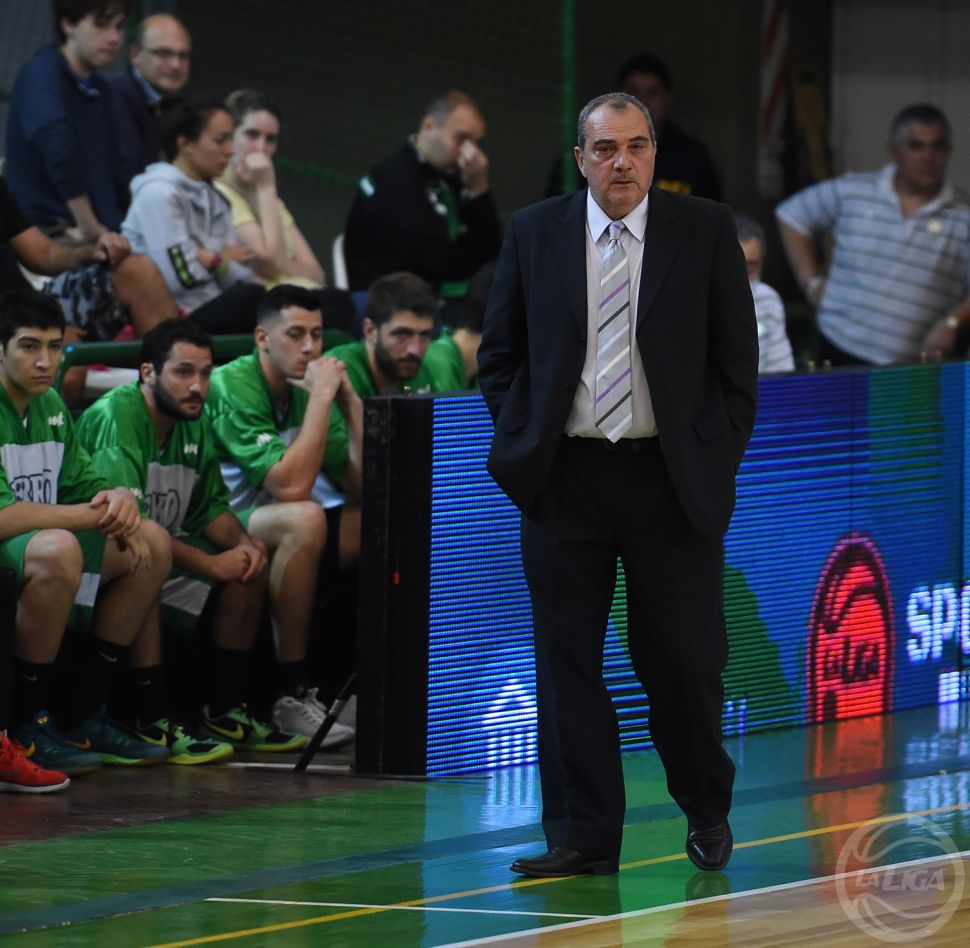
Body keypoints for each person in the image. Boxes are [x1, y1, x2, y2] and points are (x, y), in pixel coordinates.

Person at [478, 92, 758, 877]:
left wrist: (710, 457)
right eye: (605, 149)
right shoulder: (534, 231)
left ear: (654, 153)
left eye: (635, 146)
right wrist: (527, 443)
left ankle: (706, 808)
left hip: (668, 480)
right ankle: (582, 835)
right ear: (581, 159)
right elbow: (499, 356)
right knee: (566, 663)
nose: (621, 163)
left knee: (682, 662)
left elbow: (737, 368)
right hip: (565, 478)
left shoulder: (705, 229)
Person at [77, 318, 349, 755]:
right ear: (148, 373)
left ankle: (225, 710)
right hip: (106, 558)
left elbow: (209, 508)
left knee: (247, 562)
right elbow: (131, 528)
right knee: (149, 557)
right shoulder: (117, 416)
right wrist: (209, 564)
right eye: (184, 372)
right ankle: (150, 717)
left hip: (160, 548)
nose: (197, 386)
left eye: (205, 374)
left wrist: (243, 545)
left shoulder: (192, 419)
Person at [0, 287, 173, 774]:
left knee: (153, 542)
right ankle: (24, 723)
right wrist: (89, 516)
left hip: (35, 544)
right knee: (59, 548)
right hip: (18, 547)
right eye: (29, 346)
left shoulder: (50, 403)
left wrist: (119, 500)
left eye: (55, 346)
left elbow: (82, 481)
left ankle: (82, 714)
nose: (45, 361)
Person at [206, 285, 363, 738]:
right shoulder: (233, 384)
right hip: (220, 525)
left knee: (374, 524)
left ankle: (348, 685)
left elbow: (361, 486)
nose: (310, 348)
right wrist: (321, 399)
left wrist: (351, 404)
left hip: (271, 525)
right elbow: (291, 487)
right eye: (295, 334)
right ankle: (289, 691)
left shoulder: (303, 387)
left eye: (317, 334)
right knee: (306, 515)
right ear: (262, 338)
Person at [775, 102, 970, 366]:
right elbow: (791, 216)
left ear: (948, 151)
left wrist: (951, 322)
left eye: (937, 146)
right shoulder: (855, 189)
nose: (927, 156)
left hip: (912, 365)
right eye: (916, 146)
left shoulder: (963, 214)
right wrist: (811, 283)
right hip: (837, 344)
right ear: (894, 151)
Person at [122, 97, 265, 335]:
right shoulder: (158, 193)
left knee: (313, 304)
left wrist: (213, 260)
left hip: (215, 305)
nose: (230, 150)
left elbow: (242, 272)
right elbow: (179, 279)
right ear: (185, 143)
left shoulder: (217, 199)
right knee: (256, 300)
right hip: (174, 320)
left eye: (230, 139)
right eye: (220, 140)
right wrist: (221, 261)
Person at [343, 91, 502, 299]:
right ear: (429, 126)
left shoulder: (452, 177)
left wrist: (479, 190)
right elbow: (437, 261)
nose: (470, 153)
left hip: (432, 296)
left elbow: (492, 252)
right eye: (461, 138)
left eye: (476, 143)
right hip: (389, 301)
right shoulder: (393, 177)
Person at [5, 1, 134, 239]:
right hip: (45, 230)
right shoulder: (40, 73)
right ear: (69, 24)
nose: (114, 38)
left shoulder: (102, 89)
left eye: (119, 26)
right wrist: (91, 228)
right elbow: (59, 150)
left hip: (102, 229)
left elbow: (120, 169)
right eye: (102, 24)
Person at [216, 90, 326, 290]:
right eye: (252, 135)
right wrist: (266, 186)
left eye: (271, 139)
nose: (261, 148)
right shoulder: (219, 191)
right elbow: (272, 264)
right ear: (230, 136)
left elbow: (317, 274)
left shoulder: (270, 200)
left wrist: (282, 265)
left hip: (301, 296)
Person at [328, 272, 467, 396]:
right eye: (403, 335)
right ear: (370, 331)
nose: (415, 350)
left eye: (424, 335)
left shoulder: (421, 371)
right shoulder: (338, 373)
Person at [109, 13, 192, 175]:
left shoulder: (181, 108)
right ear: (135, 55)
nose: (176, 65)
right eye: (164, 53)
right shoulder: (113, 99)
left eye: (183, 56)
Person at [735, 215, 795, 373]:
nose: (741, 279)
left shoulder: (769, 300)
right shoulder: (693, 303)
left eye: (750, 269)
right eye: (733, 268)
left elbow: (782, 373)